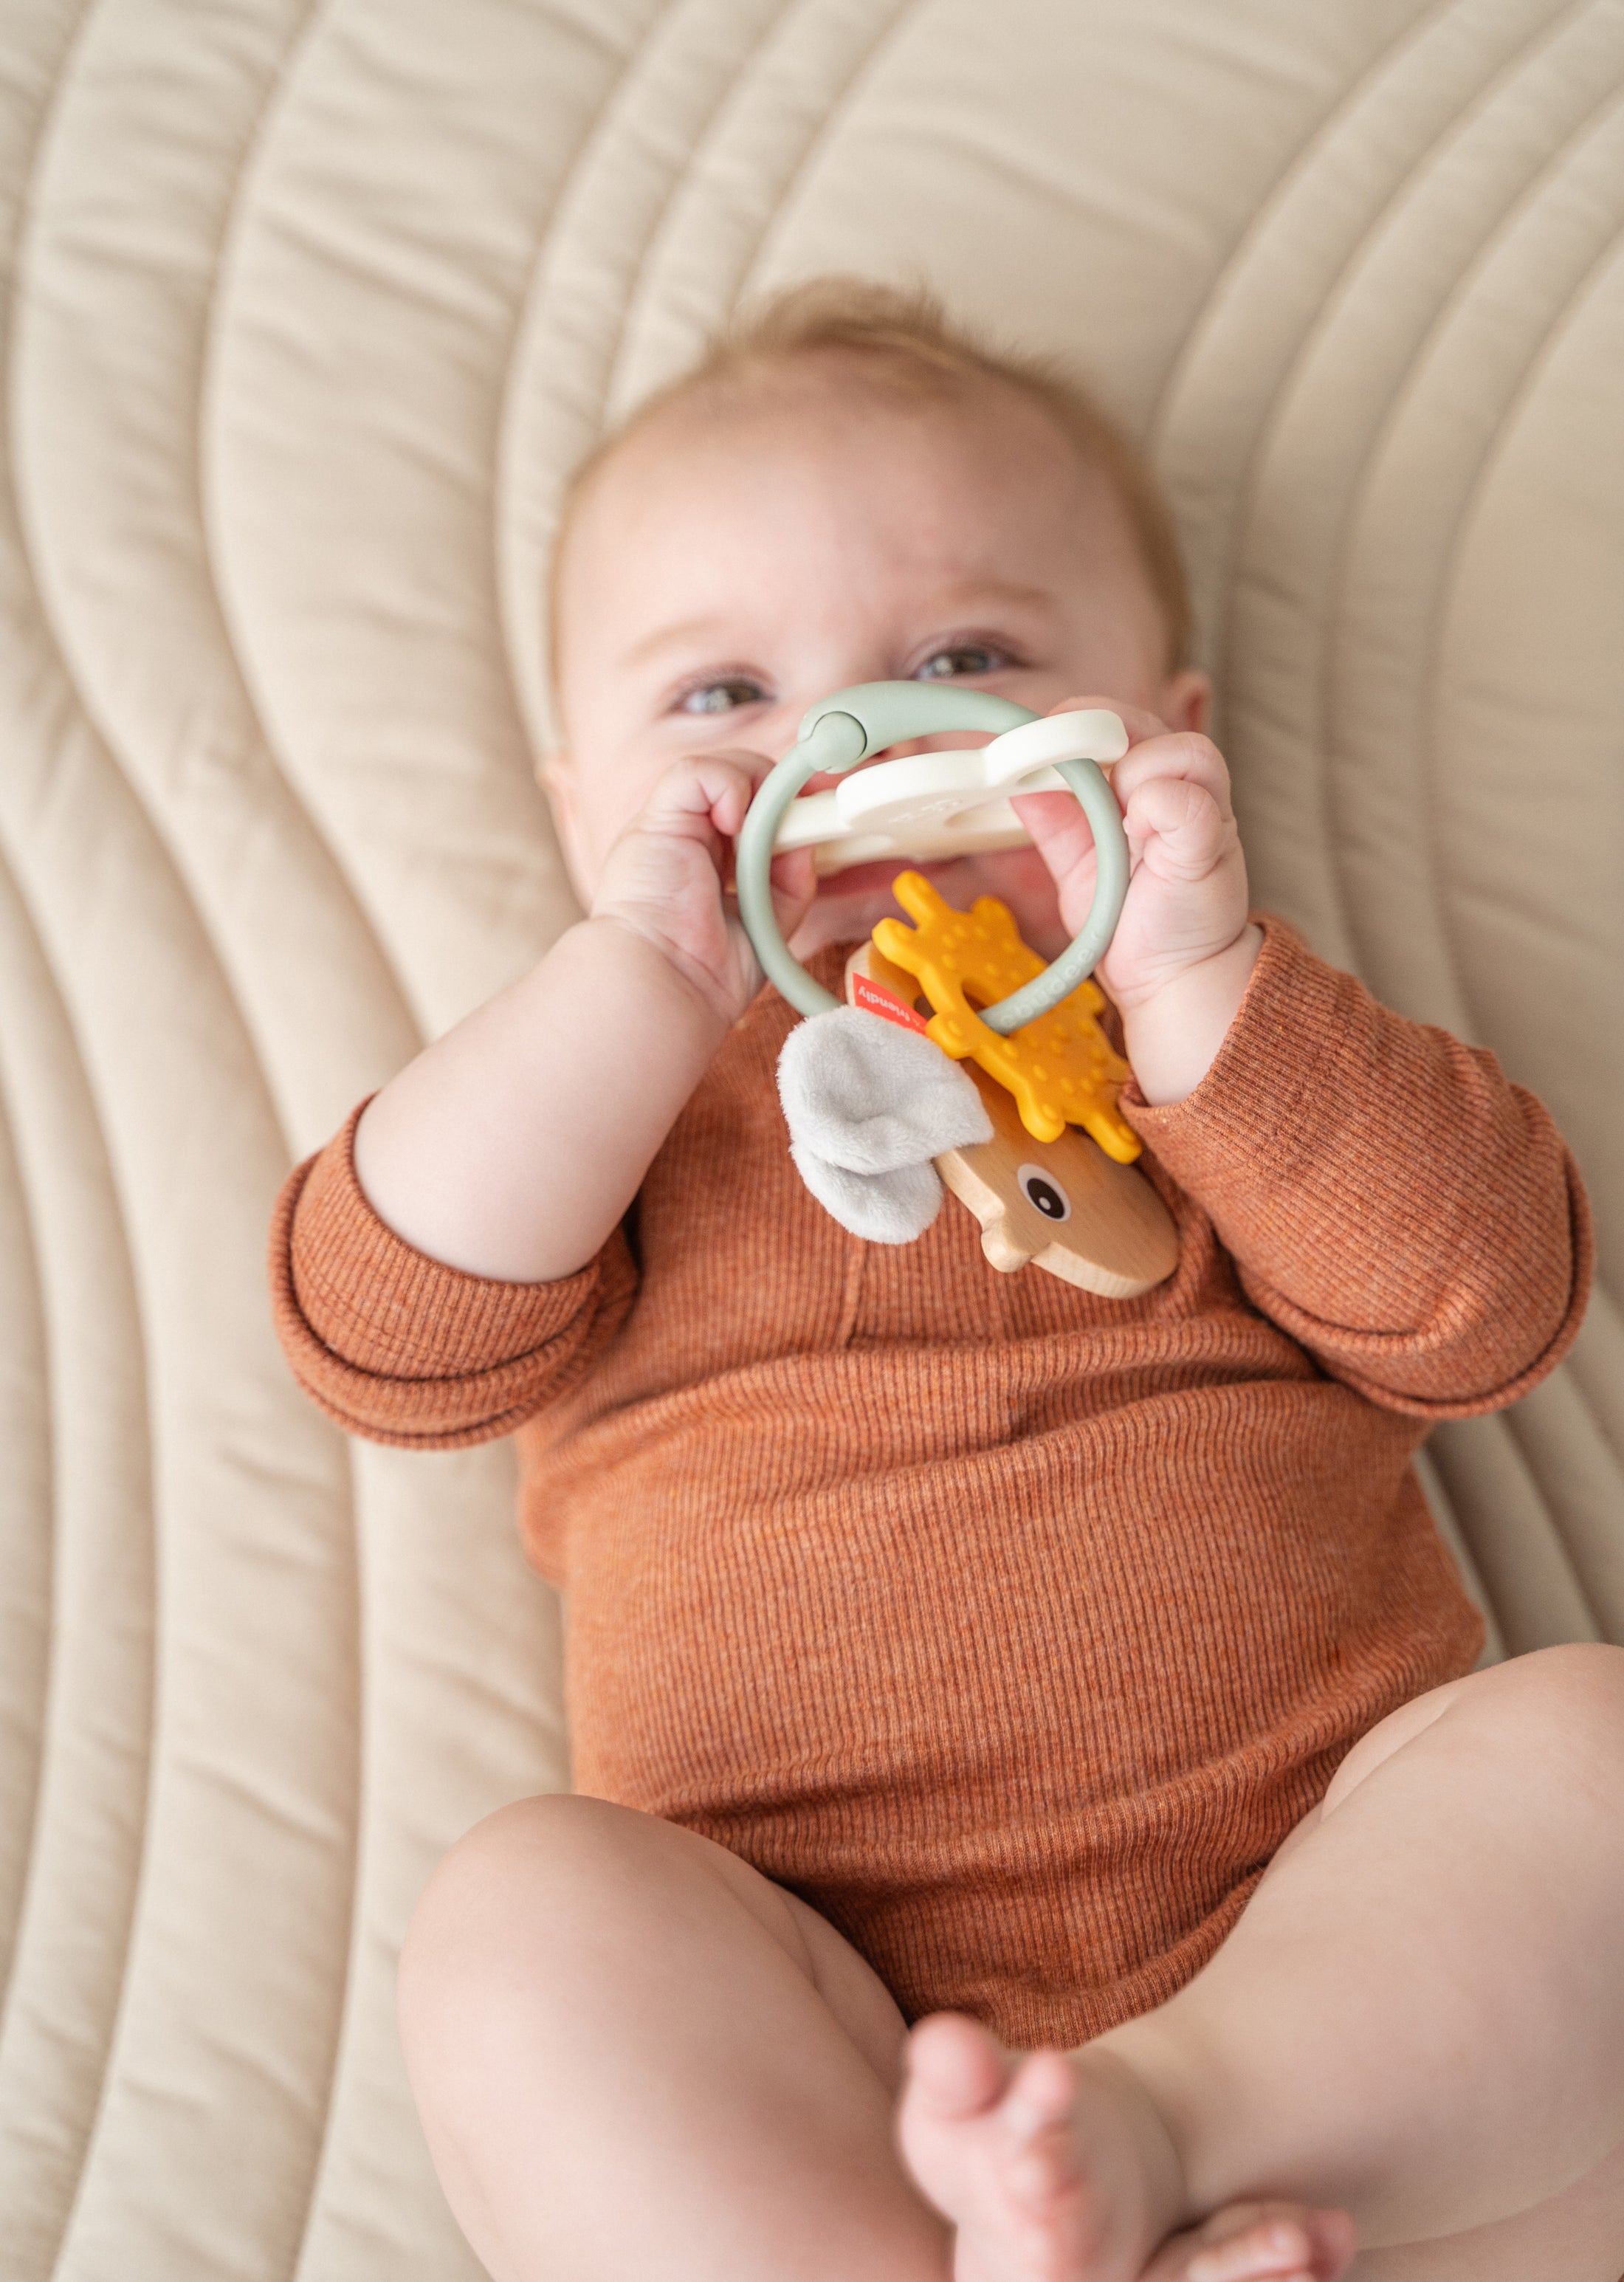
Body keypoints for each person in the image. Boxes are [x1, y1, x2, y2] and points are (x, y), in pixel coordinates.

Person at [269, 280, 1623, 2282]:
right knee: (521, 1917)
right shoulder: (620, 1105)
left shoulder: (1203, 1048)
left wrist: (1201, 984)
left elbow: (1491, 1307)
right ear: (582, 811)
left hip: (1339, 1948)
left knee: (1589, 1747)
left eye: (962, 660)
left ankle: (1155, 2140)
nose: (840, 743)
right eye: (719, 697)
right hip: (802, 1986)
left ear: (1163, 735)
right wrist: (622, 1000)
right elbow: (386, 1344)